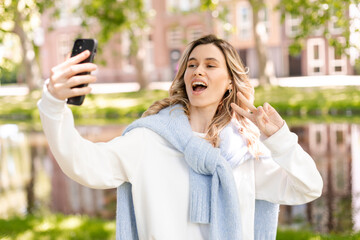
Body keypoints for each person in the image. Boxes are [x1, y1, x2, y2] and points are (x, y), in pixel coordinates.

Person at [38, 34, 323, 240]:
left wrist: (280, 138)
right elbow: (83, 164)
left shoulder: (245, 154)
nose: (198, 70)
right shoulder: (148, 140)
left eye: (211, 65)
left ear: (229, 84)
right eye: (192, 65)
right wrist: (53, 103)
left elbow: (308, 187)